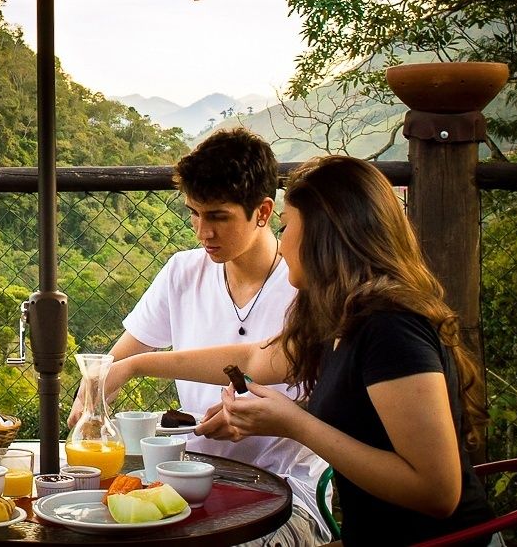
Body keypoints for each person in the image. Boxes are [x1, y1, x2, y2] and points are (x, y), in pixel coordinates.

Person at [103, 155, 495, 546]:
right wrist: (133, 366)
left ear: (326, 236)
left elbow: (438, 494)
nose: (282, 241)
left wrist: (293, 422)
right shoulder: (340, 317)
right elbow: (254, 358)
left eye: (289, 226)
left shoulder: (390, 329)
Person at [69, 128, 329, 545]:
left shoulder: (306, 282)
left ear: (263, 212)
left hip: (289, 489)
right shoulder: (182, 272)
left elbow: (324, 396)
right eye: (194, 213)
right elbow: (114, 363)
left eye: (218, 216)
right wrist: (94, 393)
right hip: (192, 479)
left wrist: (259, 420)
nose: (202, 231)